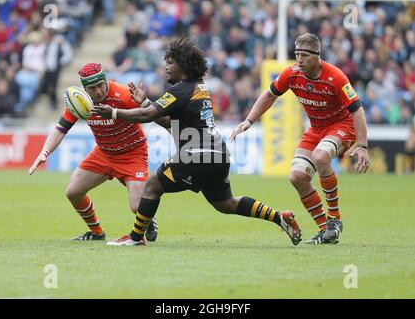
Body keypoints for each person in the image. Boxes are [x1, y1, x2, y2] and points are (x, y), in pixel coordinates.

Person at [92, 37, 302, 247]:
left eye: (171, 62)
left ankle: (135, 238)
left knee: (152, 185)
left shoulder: (181, 90)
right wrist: (146, 102)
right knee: (225, 203)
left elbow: (147, 116)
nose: (166, 66)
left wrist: (115, 112)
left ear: (183, 65)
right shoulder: (198, 87)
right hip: (218, 154)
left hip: (196, 155)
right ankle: (279, 217)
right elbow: (168, 121)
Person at [231, 33, 370, 244]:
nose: (299, 60)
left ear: (317, 56)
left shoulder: (336, 77)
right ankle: (326, 231)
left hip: (342, 127)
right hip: (316, 129)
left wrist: (362, 145)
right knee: (297, 177)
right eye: (297, 54)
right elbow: (269, 95)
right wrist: (249, 121)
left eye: (304, 55)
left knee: (321, 157)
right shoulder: (292, 73)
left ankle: (334, 219)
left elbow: (357, 110)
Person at [29, 63, 158, 241]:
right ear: (85, 89)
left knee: (137, 206)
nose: (98, 91)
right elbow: (60, 129)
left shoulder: (122, 94)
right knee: (73, 192)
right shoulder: (81, 101)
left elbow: (153, 113)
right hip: (103, 153)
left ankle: (148, 220)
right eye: (92, 88)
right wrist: (44, 152)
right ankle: (97, 233)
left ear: (106, 81)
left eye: (100, 85)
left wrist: (145, 103)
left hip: (132, 153)